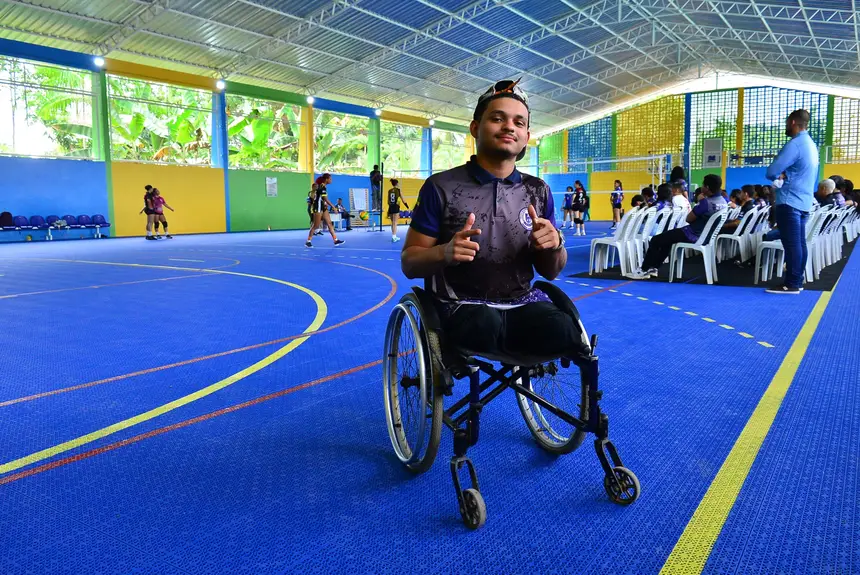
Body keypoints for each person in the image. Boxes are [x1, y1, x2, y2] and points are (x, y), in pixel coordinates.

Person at [402, 78, 590, 364]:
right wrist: (445, 252)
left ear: (527, 135)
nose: (509, 127)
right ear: (475, 128)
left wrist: (554, 247)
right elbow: (410, 263)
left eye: (519, 122)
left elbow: (550, 273)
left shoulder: (538, 191)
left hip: (521, 304)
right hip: (461, 306)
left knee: (565, 330)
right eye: (497, 118)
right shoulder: (441, 186)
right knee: (484, 326)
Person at [630, 173, 727, 279]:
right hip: (706, 236)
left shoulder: (705, 203)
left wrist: (700, 201)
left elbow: (688, 219)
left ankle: (643, 270)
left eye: (703, 185)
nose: (702, 187)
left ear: (707, 188)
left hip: (692, 234)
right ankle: (653, 268)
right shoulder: (723, 202)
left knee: (655, 240)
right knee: (667, 240)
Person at [764, 109, 819, 294]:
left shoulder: (795, 144)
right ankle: (797, 280)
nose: (786, 125)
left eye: (788, 122)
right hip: (804, 201)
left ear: (793, 122)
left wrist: (780, 173)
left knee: (792, 244)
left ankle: (791, 284)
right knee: (799, 243)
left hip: (789, 201)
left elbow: (772, 171)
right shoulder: (811, 145)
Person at [306, 173, 345, 248]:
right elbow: (325, 199)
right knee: (316, 226)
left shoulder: (323, 186)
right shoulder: (322, 187)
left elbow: (322, 199)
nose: (331, 180)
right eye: (330, 179)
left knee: (329, 223)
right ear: (326, 179)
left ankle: (335, 240)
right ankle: (308, 241)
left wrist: (325, 204)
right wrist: (333, 207)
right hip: (318, 207)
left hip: (323, 207)